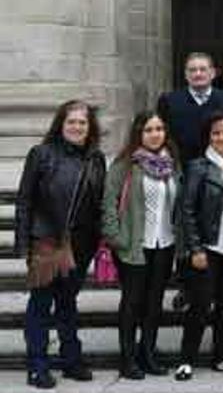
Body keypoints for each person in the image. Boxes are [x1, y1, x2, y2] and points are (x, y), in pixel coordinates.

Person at [15, 100, 105, 389]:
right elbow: (25, 200)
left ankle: (71, 359)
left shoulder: (96, 158)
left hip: (80, 244)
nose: (77, 127)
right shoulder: (41, 154)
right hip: (46, 240)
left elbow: (98, 203)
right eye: (72, 122)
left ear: (90, 127)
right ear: (61, 124)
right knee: (40, 305)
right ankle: (37, 366)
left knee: (67, 303)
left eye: (82, 122)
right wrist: (23, 244)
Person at [102, 111, 182, 380]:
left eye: (159, 128)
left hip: (164, 244)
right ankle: (127, 359)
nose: (155, 134)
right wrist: (117, 238)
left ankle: (147, 353)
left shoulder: (171, 164)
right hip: (133, 246)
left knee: (154, 303)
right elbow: (109, 203)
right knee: (132, 303)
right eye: (149, 129)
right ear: (139, 133)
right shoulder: (126, 163)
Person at [174, 114, 223, 381]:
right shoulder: (198, 167)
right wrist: (196, 249)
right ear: (209, 137)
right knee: (200, 305)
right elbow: (186, 210)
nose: (221, 138)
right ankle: (186, 359)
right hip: (209, 247)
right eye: (216, 133)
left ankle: (222, 356)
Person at [157, 52, 223, 164]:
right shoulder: (169, 101)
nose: (198, 74)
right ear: (186, 74)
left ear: (213, 73)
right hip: (181, 168)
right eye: (192, 70)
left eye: (203, 69)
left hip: (219, 168)